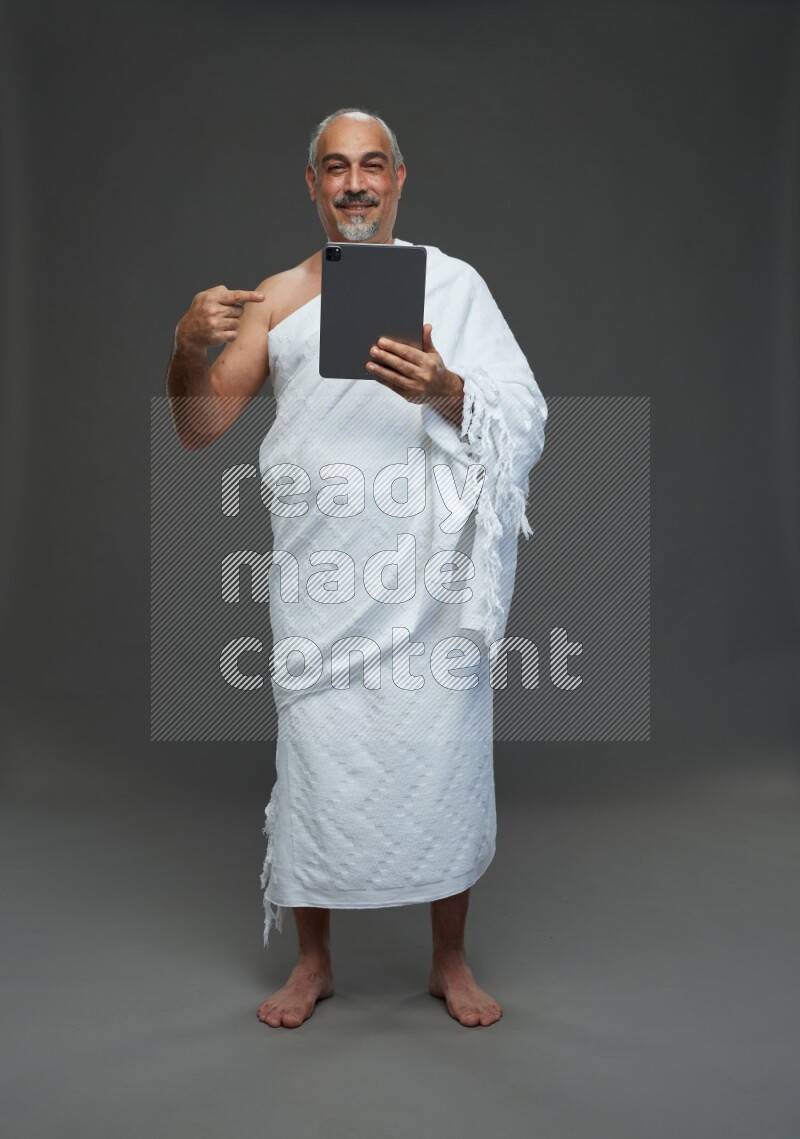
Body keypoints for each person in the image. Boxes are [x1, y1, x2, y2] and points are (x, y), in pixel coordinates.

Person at [165, 107, 548, 1029]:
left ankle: (448, 960)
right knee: (319, 761)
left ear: (401, 178)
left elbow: (525, 410)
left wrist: (447, 390)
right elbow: (198, 427)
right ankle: (313, 964)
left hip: (428, 586)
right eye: (335, 168)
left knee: (442, 755)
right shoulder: (278, 298)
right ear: (311, 184)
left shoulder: (452, 286)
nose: (355, 184)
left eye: (372, 166)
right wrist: (186, 346)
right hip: (321, 580)